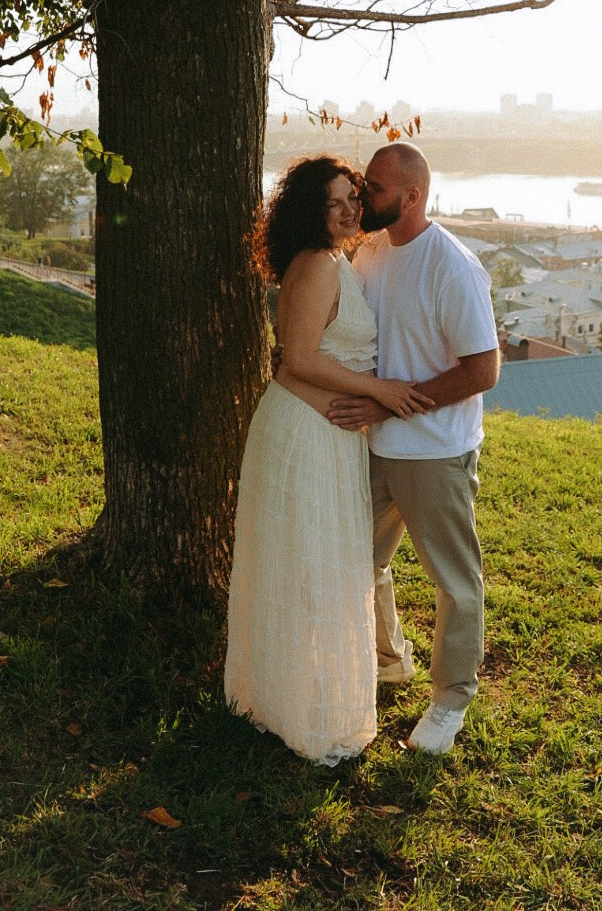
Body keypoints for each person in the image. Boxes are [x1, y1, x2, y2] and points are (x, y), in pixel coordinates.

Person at [224, 155, 433, 765]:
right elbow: (299, 361)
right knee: (309, 565)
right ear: (311, 213)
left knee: (315, 565)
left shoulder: (340, 262)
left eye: (353, 198)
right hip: (306, 435)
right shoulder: (316, 264)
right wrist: (382, 392)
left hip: (329, 433)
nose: (349, 210)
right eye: (334, 202)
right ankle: (297, 709)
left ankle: (294, 694)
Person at [328, 143, 500, 756]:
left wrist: (390, 404)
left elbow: (483, 370)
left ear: (413, 195)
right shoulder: (371, 252)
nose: (363, 195)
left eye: (373, 187)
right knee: (358, 561)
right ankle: (388, 657)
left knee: (455, 582)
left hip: (435, 453)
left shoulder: (452, 266)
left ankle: (451, 700)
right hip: (373, 446)